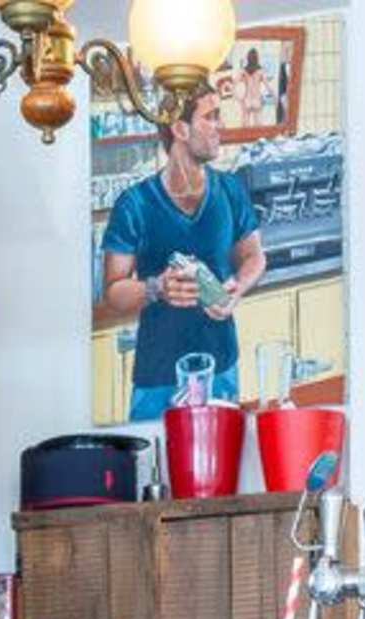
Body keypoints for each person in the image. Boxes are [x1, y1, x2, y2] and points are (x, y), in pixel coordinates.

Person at [94, 88, 265, 421]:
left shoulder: (230, 189)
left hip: (221, 367)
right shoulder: (135, 204)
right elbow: (113, 291)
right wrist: (157, 288)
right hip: (158, 376)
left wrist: (238, 287)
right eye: (211, 116)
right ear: (180, 129)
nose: (221, 126)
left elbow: (255, 256)